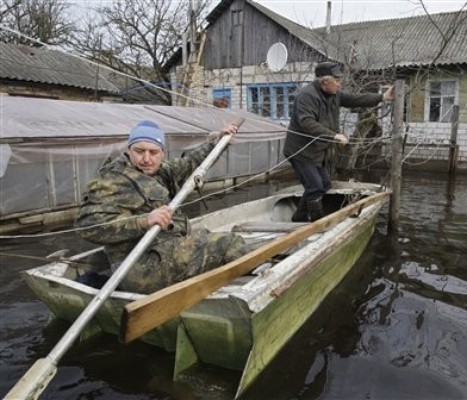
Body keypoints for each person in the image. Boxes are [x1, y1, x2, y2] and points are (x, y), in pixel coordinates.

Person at [74, 119, 248, 294]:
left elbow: (191, 162)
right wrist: (144, 221)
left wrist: (219, 142)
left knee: (203, 236)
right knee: (230, 243)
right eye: (139, 151)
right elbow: (87, 226)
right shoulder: (111, 180)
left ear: (163, 153)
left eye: (153, 152)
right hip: (139, 270)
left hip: (163, 251)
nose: (147, 159)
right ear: (128, 150)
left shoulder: (161, 171)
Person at [283, 61, 395, 222]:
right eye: (336, 80)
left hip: (317, 152)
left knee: (325, 185)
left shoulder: (334, 94)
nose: (339, 83)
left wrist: (382, 97)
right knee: (314, 187)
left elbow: (355, 99)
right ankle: (313, 222)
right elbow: (306, 122)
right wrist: (333, 136)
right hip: (300, 151)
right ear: (324, 81)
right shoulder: (306, 96)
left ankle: (300, 215)